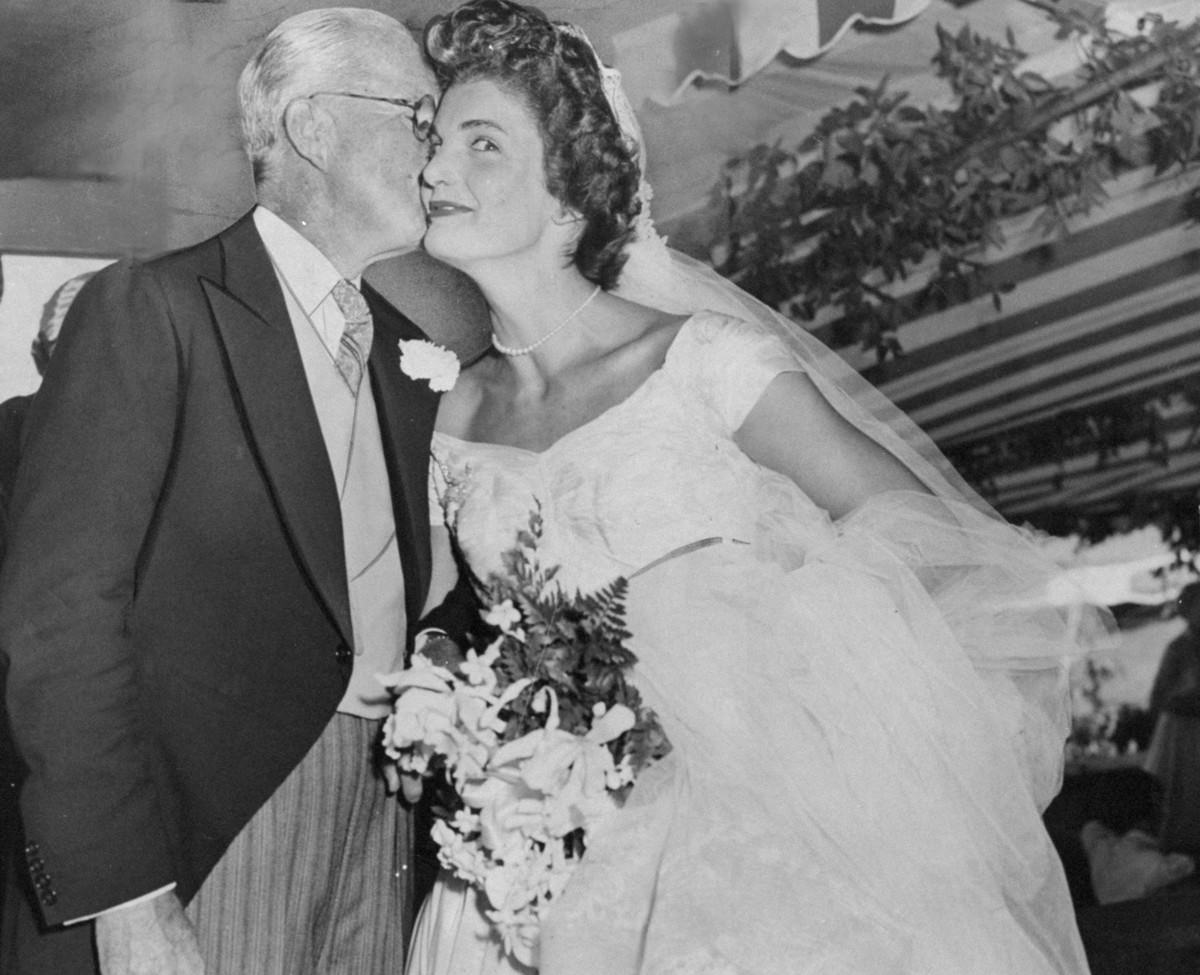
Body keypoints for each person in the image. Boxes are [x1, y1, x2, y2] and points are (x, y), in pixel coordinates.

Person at [401, 2, 1112, 973]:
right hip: (529, 852)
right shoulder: (447, 421)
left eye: (480, 145)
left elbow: (932, 544)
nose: (435, 170)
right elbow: (449, 625)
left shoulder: (704, 364)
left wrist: (800, 689)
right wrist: (456, 714)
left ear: (568, 197)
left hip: (747, 859)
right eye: (433, 142)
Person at [0, 9, 477, 975]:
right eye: (417, 117)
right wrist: (126, 893)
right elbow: (60, 616)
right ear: (314, 128)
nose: (435, 157)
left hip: (384, 816)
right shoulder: (154, 310)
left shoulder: (404, 353)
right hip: (213, 826)